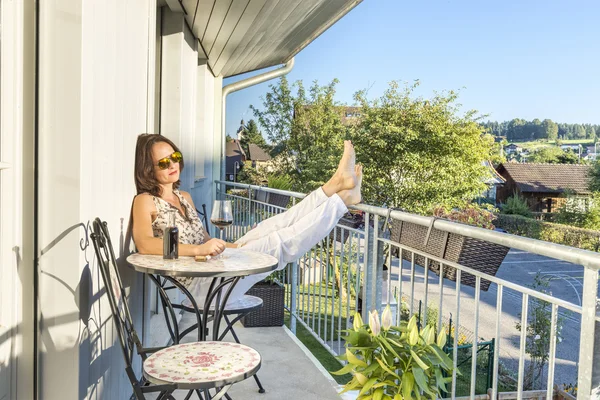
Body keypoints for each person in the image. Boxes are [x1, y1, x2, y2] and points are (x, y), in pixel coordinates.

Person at [131, 134, 362, 306]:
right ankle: (341, 201)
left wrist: (237, 246)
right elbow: (144, 244)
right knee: (278, 242)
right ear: (148, 169)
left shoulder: (184, 197)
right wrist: (199, 250)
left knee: (273, 225)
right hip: (199, 289)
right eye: (163, 162)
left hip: (215, 270)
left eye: (175, 157)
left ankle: (335, 186)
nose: (172, 164)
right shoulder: (146, 200)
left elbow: (205, 240)